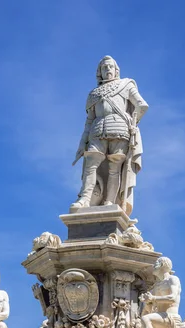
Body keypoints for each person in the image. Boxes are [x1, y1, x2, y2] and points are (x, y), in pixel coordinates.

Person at [72, 55, 148, 215]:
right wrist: (82, 142)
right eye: (104, 67)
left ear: (116, 70)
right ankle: (85, 199)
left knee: (114, 167)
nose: (108, 70)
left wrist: (134, 123)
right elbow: (89, 120)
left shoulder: (126, 85)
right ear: (99, 72)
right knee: (91, 164)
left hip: (120, 129)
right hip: (97, 129)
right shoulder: (94, 93)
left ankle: (109, 201)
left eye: (110, 67)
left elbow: (141, 105)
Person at [140, 257, 181, 328]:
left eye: (156, 263)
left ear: (163, 265)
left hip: (169, 317)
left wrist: (153, 298)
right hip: (159, 320)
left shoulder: (172, 279)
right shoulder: (157, 285)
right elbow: (149, 307)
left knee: (146, 319)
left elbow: (172, 297)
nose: (153, 266)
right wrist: (146, 301)